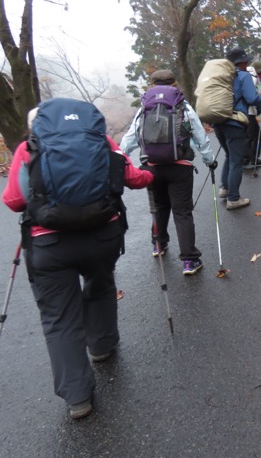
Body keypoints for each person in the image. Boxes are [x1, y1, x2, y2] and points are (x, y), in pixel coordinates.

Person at [2, 103, 153, 420]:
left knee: (59, 318)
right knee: (100, 287)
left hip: (49, 243)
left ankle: (78, 397)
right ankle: (101, 346)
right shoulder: (102, 141)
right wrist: (150, 173)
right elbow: (133, 177)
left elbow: (15, 200)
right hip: (102, 236)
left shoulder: (28, 148)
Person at [119, 70, 217, 276]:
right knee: (182, 212)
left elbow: (129, 139)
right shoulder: (182, 105)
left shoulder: (144, 107)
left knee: (159, 208)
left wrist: (122, 159)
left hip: (151, 167)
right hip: (180, 166)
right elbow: (200, 135)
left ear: (151, 84)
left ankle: (158, 245)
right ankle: (189, 261)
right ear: (175, 83)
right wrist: (210, 160)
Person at [213, 48, 261, 210]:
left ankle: (224, 188)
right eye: (246, 61)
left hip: (217, 121)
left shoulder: (220, 76)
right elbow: (252, 99)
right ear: (242, 62)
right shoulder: (243, 76)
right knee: (237, 160)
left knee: (229, 155)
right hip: (234, 122)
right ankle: (233, 198)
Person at [244, 59, 261, 169]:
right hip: (247, 112)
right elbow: (252, 97)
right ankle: (247, 159)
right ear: (258, 71)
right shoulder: (252, 79)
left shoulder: (256, 79)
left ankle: (252, 158)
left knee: (256, 134)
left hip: (250, 112)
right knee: (251, 135)